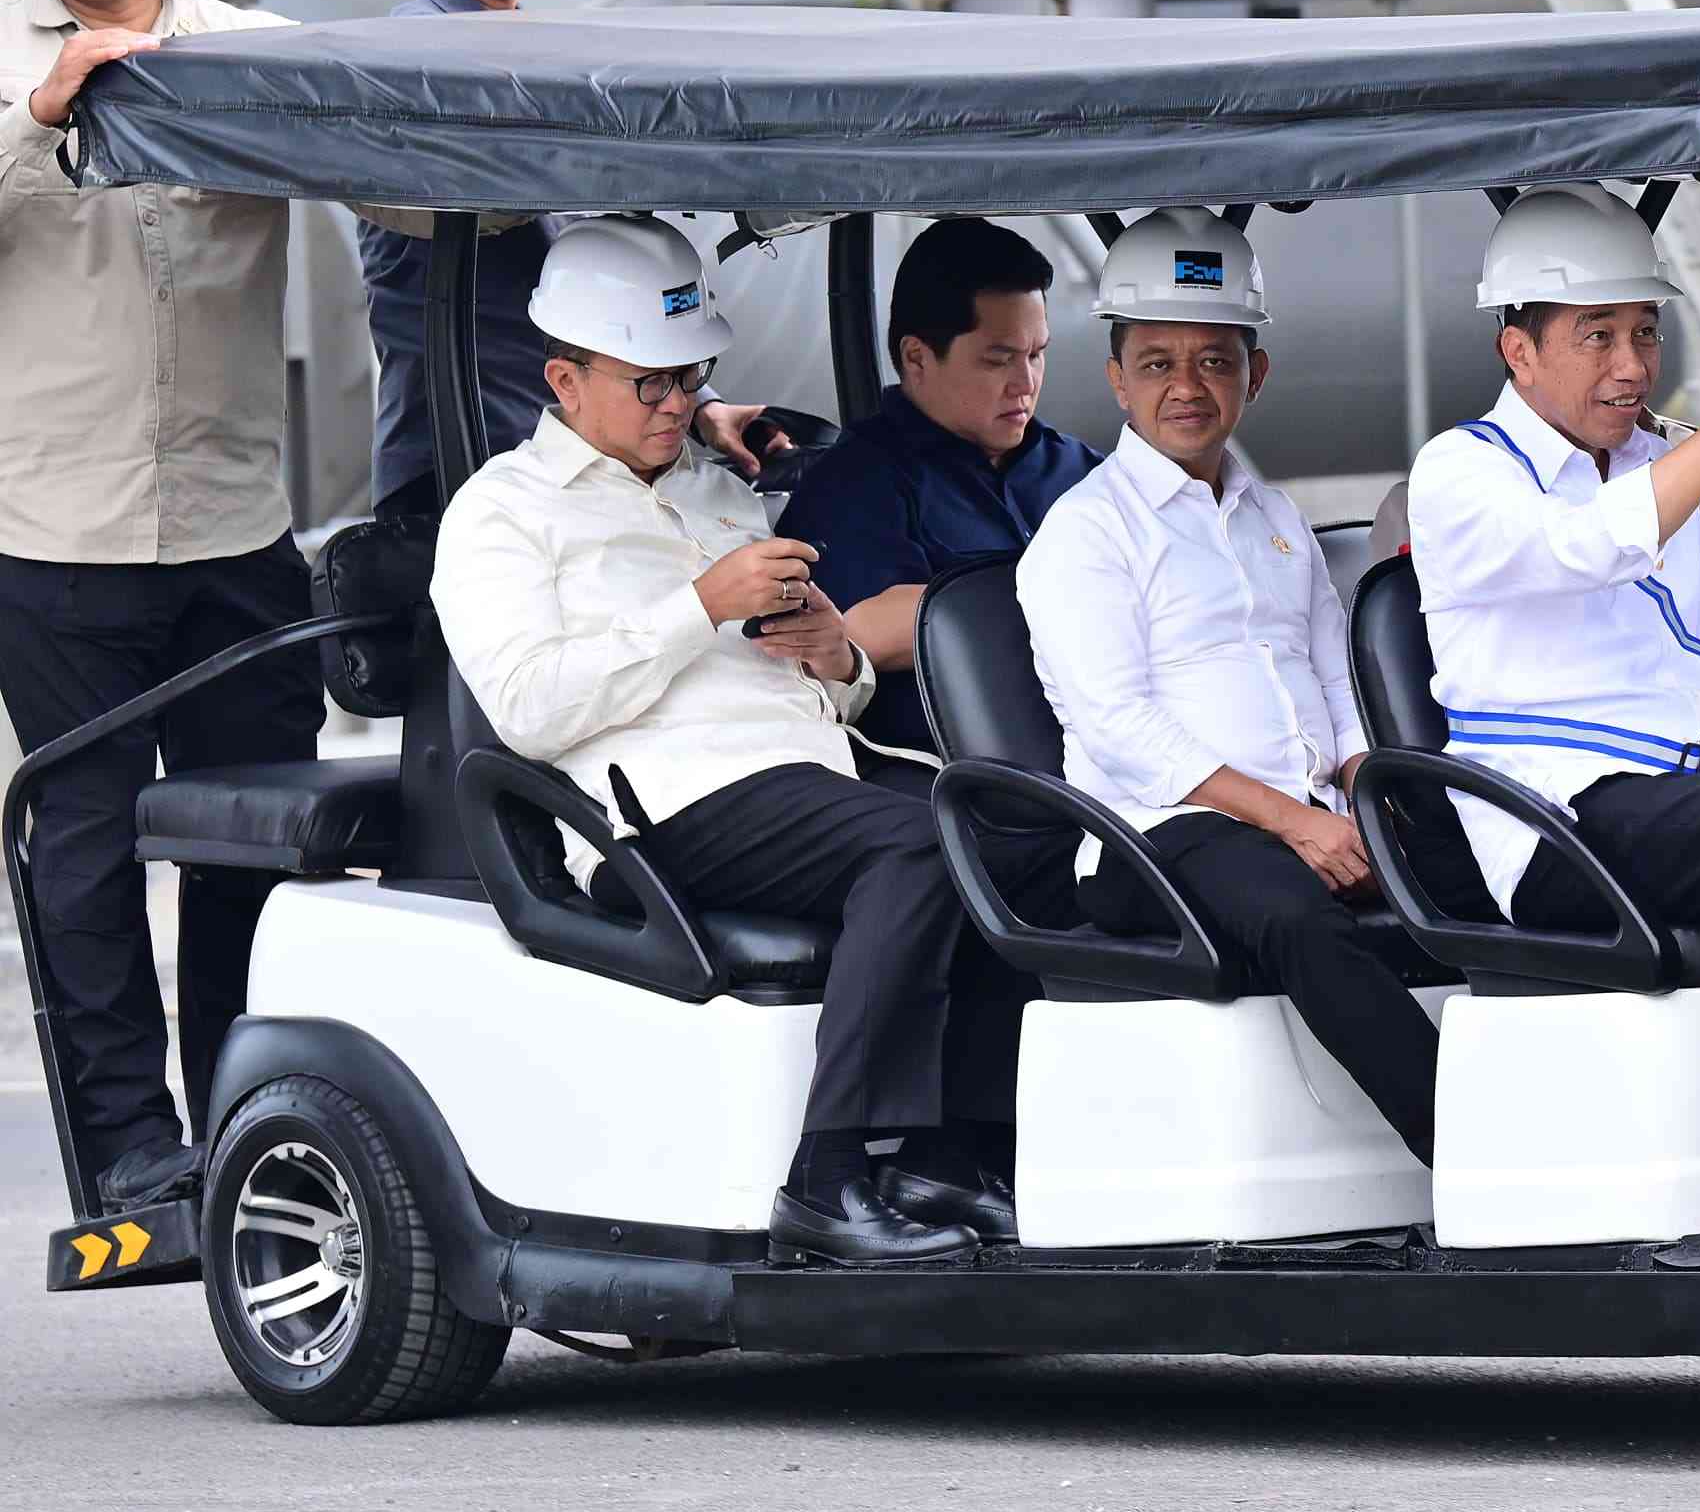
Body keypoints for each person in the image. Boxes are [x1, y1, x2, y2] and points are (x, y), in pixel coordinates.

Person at [432, 215, 1046, 1265]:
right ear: (565, 381)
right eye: (649, 383)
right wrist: (697, 603)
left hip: (803, 776)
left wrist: (835, 657)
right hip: (660, 806)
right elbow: (530, 708)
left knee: (1024, 834)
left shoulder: (717, 488)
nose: (677, 403)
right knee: (912, 848)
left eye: (689, 377)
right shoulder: (500, 514)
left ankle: (952, 1152)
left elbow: (830, 697)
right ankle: (827, 1174)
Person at [1405, 186, 1700, 1261]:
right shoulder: (1462, 474)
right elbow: (1593, 547)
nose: (1630, 365)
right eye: (1598, 338)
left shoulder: (1646, 462)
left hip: (1670, 805)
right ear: (1517, 349)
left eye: (1645, 334)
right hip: (1554, 831)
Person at [0, 0, 324, 1213]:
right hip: (52, 532)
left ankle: (248, 1126)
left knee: (252, 838)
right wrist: (41, 111)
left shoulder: (250, 58)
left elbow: (410, 194)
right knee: (83, 848)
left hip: (238, 527)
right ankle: (133, 1154)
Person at [1018, 209, 1440, 1161]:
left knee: (1493, 860)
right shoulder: (1086, 532)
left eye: (1213, 361)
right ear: (1117, 379)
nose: (1186, 387)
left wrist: (1364, 785)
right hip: (1155, 834)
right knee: (1295, 915)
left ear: (1254, 375)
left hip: (1312, 806)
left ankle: (1589, 1122)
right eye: (1158, 363)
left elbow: (1335, 668)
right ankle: (1472, 1155)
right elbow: (1118, 723)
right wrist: (1296, 824)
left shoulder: (1274, 516)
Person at [354, 0, 768, 516]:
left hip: (586, 463)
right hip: (466, 464)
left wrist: (696, 400)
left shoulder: (559, 64)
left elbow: (612, 264)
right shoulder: (401, 68)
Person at [776, 218, 1097, 759]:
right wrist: (1096, 587)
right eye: (998, 360)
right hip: (969, 790)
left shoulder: (1081, 468)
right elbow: (863, 631)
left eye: (1036, 354)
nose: (1026, 383)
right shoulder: (856, 484)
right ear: (918, 357)